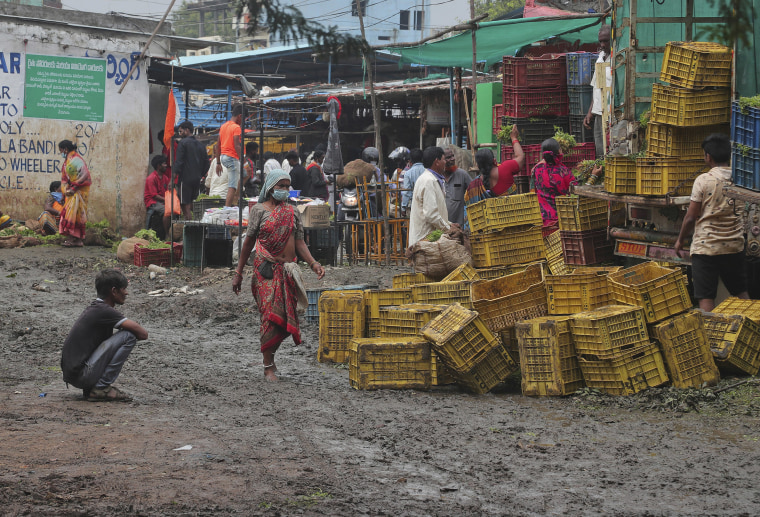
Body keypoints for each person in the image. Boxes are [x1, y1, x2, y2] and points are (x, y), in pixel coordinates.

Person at [232, 170, 326, 381]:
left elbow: (300, 241)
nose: (284, 190)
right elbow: (248, 243)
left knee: (283, 318)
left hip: (287, 272)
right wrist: (238, 273)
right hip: (265, 270)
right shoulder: (258, 210)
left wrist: (313, 264)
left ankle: (271, 359)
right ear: (270, 187)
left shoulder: (292, 212)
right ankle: (268, 367)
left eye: (287, 186)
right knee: (269, 317)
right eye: (280, 186)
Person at [675, 133, 749, 311]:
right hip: (733, 245)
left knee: (706, 297)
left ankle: (710, 336)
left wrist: (680, 240)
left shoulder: (703, 180)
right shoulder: (740, 180)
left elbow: (691, 217)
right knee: (741, 292)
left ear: (708, 157)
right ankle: (755, 325)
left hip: (706, 249)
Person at [60, 269, 148, 401]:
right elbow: (143, 334)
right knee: (128, 336)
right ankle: (101, 388)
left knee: (121, 334)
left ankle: (94, 388)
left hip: (76, 374)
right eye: (124, 289)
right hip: (82, 375)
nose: (126, 293)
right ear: (114, 291)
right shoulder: (105, 311)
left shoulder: (96, 308)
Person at [408, 146, 453, 247]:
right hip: (425, 241)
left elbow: (435, 212)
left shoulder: (431, 179)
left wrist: (450, 224)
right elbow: (431, 215)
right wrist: (448, 229)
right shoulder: (428, 181)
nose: (445, 162)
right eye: (443, 159)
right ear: (437, 161)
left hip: (429, 240)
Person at [532, 138, 577, 228]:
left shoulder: (537, 169)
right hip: (562, 218)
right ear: (558, 152)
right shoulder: (564, 171)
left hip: (543, 217)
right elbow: (576, 190)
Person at [583, 24, 612, 158]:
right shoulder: (600, 57)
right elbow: (597, 86)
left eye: (606, 40)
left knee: (611, 147)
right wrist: (590, 112)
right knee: (600, 149)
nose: (603, 44)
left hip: (611, 112)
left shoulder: (617, 59)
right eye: (600, 41)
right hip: (598, 112)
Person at [174, 120, 210, 220]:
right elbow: (206, 164)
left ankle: (189, 225)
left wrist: (172, 178)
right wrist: (200, 174)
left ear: (187, 130)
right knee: (193, 203)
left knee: (184, 204)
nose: (180, 134)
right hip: (197, 179)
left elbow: (179, 162)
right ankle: (195, 223)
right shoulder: (201, 145)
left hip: (185, 179)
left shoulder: (183, 143)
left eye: (181, 132)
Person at [58, 140, 92, 248]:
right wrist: (64, 193)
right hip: (71, 193)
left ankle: (73, 239)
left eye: (61, 150)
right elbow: (65, 179)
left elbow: (85, 176)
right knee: (71, 215)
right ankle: (76, 240)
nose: (61, 153)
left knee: (73, 216)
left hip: (78, 192)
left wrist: (74, 187)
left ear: (65, 149)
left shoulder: (76, 159)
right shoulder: (67, 161)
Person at [216, 104, 244, 207]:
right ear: (240, 116)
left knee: (245, 173)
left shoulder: (224, 126)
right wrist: (243, 159)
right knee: (232, 186)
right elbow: (237, 145)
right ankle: (226, 209)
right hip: (232, 157)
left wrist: (218, 162)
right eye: (244, 119)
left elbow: (217, 145)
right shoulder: (236, 127)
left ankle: (235, 200)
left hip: (223, 157)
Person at [144, 155, 171, 238]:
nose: (166, 165)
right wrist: (167, 200)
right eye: (164, 164)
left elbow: (167, 192)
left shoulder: (165, 178)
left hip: (162, 201)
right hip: (152, 202)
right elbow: (154, 195)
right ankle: (167, 234)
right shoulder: (151, 178)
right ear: (158, 166)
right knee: (167, 211)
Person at [443, 147, 472, 227]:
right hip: (440, 226)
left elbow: (474, 192)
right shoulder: (435, 178)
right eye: (448, 157)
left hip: (458, 227)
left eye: (453, 156)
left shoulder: (462, 175)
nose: (453, 159)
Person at [401, 148, 425, 217]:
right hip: (427, 203)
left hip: (415, 204)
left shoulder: (408, 173)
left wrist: (403, 207)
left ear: (410, 161)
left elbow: (406, 192)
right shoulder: (428, 170)